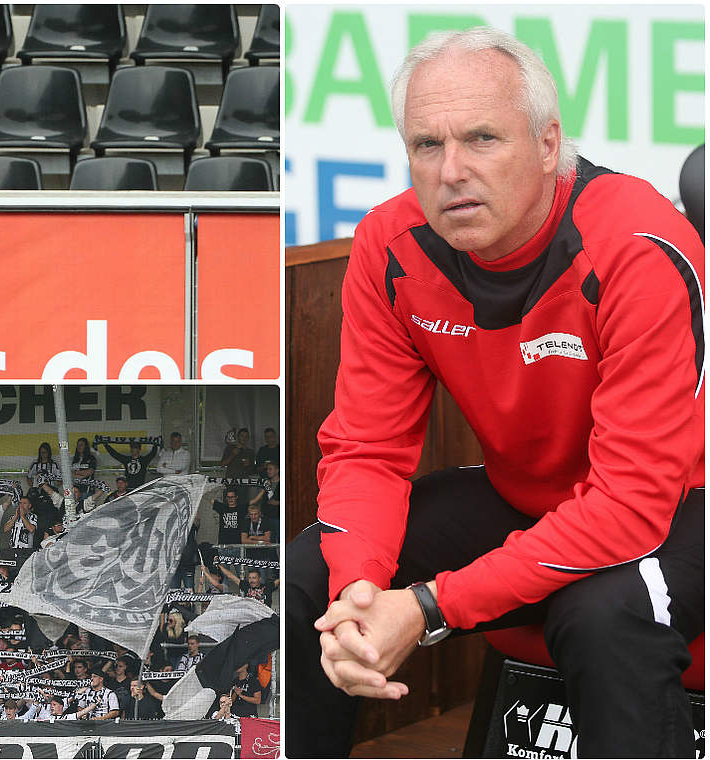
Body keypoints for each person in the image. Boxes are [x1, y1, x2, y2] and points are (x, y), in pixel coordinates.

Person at [286, 28, 705, 759]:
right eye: (426, 145)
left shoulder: (638, 246)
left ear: (548, 145)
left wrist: (428, 607)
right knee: (311, 573)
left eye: (483, 138)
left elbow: (631, 505)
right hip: (532, 494)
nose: (452, 171)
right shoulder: (391, 247)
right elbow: (367, 451)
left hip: (680, 505)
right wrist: (359, 598)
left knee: (602, 614)